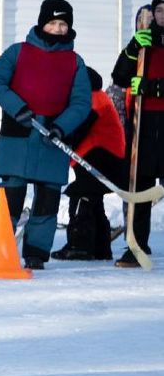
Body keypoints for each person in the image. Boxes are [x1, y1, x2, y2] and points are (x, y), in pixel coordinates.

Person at [0, 0, 92, 271]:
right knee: (11, 197)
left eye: (63, 24)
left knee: (46, 201)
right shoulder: (18, 52)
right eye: (53, 22)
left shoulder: (75, 62)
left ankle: (36, 253)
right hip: (19, 133)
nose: (57, 28)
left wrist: (61, 126)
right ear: (42, 23)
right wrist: (17, 107)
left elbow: (81, 103)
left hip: (52, 138)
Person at [109, 0, 164, 267]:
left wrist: (153, 87)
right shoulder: (143, 42)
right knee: (139, 186)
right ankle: (135, 245)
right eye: (160, 10)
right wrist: (133, 48)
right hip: (141, 125)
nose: (163, 16)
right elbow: (119, 76)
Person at [58, 68, 129, 260]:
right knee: (94, 201)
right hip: (103, 158)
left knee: (82, 196)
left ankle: (79, 245)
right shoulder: (98, 97)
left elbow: (78, 130)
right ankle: (100, 248)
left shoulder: (92, 100)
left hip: (100, 157)